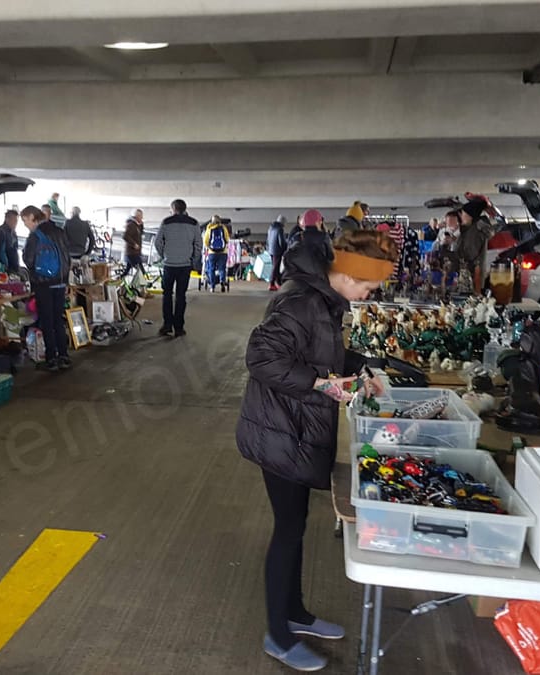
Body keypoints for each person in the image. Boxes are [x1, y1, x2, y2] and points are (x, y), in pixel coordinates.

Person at [236, 227, 397, 672]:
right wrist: (320, 384)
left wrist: (362, 367)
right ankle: (279, 636)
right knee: (288, 528)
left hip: (297, 425)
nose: (367, 294)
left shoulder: (324, 300)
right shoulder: (301, 301)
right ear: (344, 273)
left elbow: (323, 352)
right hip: (279, 427)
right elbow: (262, 359)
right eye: (366, 285)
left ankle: (296, 614)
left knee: (296, 523)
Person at [21, 205, 72, 372]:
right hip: (60, 282)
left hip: (43, 283)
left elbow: (29, 260)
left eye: (25, 220)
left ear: (32, 217)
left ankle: (51, 358)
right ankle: (64, 355)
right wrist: (65, 281)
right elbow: (66, 257)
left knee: (47, 321)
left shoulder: (35, 235)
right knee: (58, 319)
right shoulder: (59, 231)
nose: (25, 224)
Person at [154, 199, 201, 338]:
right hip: (185, 265)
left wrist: (164, 255)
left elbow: (158, 243)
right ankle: (179, 328)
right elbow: (198, 244)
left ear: (173, 209)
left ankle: (167, 325)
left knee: (167, 295)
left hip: (169, 265)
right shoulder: (194, 223)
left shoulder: (166, 222)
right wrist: (193, 258)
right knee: (181, 296)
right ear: (185, 208)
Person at [457, 198, 496, 290]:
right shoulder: (473, 229)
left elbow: (470, 254)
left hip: (471, 277)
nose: (461, 216)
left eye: (463, 214)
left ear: (470, 215)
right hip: (474, 276)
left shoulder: (474, 232)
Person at [204, 215, 231, 292]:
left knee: (211, 269)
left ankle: (212, 287)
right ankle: (222, 281)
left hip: (212, 253)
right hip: (223, 252)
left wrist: (209, 247)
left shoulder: (209, 229)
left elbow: (205, 241)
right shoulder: (223, 228)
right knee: (222, 269)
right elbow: (227, 239)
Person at [0, 209, 21, 274]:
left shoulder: (13, 233)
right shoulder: (0, 233)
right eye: (13, 220)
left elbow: (14, 250)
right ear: (7, 219)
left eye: (16, 221)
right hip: (3, 269)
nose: (15, 223)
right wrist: (3, 269)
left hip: (13, 268)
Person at [267, 215, 288, 291]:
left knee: (275, 267)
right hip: (277, 250)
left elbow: (268, 240)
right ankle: (271, 283)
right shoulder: (280, 229)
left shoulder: (271, 228)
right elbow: (281, 242)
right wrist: (285, 248)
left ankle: (278, 283)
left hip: (271, 250)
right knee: (276, 267)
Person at [123, 209, 145, 275]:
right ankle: (143, 284)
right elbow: (125, 236)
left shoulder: (137, 225)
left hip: (135, 253)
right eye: (141, 216)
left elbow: (140, 233)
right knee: (141, 272)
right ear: (137, 216)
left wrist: (141, 225)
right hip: (132, 253)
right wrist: (134, 244)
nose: (142, 218)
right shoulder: (131, 225)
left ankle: (119, 279)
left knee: (126, 271)